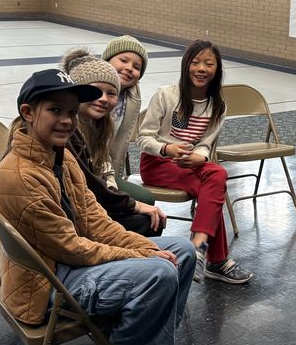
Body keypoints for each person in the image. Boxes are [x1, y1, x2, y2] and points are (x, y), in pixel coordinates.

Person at [0, 69, 195, 345]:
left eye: (72, 112)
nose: (67, 120)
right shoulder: (22, 177)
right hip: (47, 283)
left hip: (69, 264)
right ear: (28, 113)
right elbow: (71, 249)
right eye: (55, 110)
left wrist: (142, 247)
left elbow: (96, 221)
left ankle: (143, 342)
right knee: (160, 272)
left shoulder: (60, 155)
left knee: (183, 250)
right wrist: (141, 255)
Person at [138, 40, 253, 285]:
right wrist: (167, 149)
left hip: (190, 164)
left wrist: (200, 156)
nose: (201, 68)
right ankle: (213, 258)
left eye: (209, 64)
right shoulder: (167, 95)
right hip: (157, 163)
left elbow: (205, 143)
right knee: (215, 185)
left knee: (215, 179)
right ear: (186, 65)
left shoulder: (218, 105)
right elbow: (144, 138)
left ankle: (200, 249)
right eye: (195, 62)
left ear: (217, 69)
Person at [60, 47, 166, 238]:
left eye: (111, 93)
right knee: (146, 220)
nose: (103, 99)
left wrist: (112, 189)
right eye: (95, 91)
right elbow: (87, 183)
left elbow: (104, 163)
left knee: (149, 217)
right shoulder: (67, 130)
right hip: (75, 206)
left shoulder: (101, 123)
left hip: (94, 193)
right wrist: (129, 205)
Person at [101, 35, 153, 203]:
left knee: (145, 199)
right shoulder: (92, 93)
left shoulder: (131, 96)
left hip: (108, 172)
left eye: (136, 67)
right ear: (106, 60)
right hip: (85, 170)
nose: (129, 68)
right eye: (123, 60)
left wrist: (112, 179)